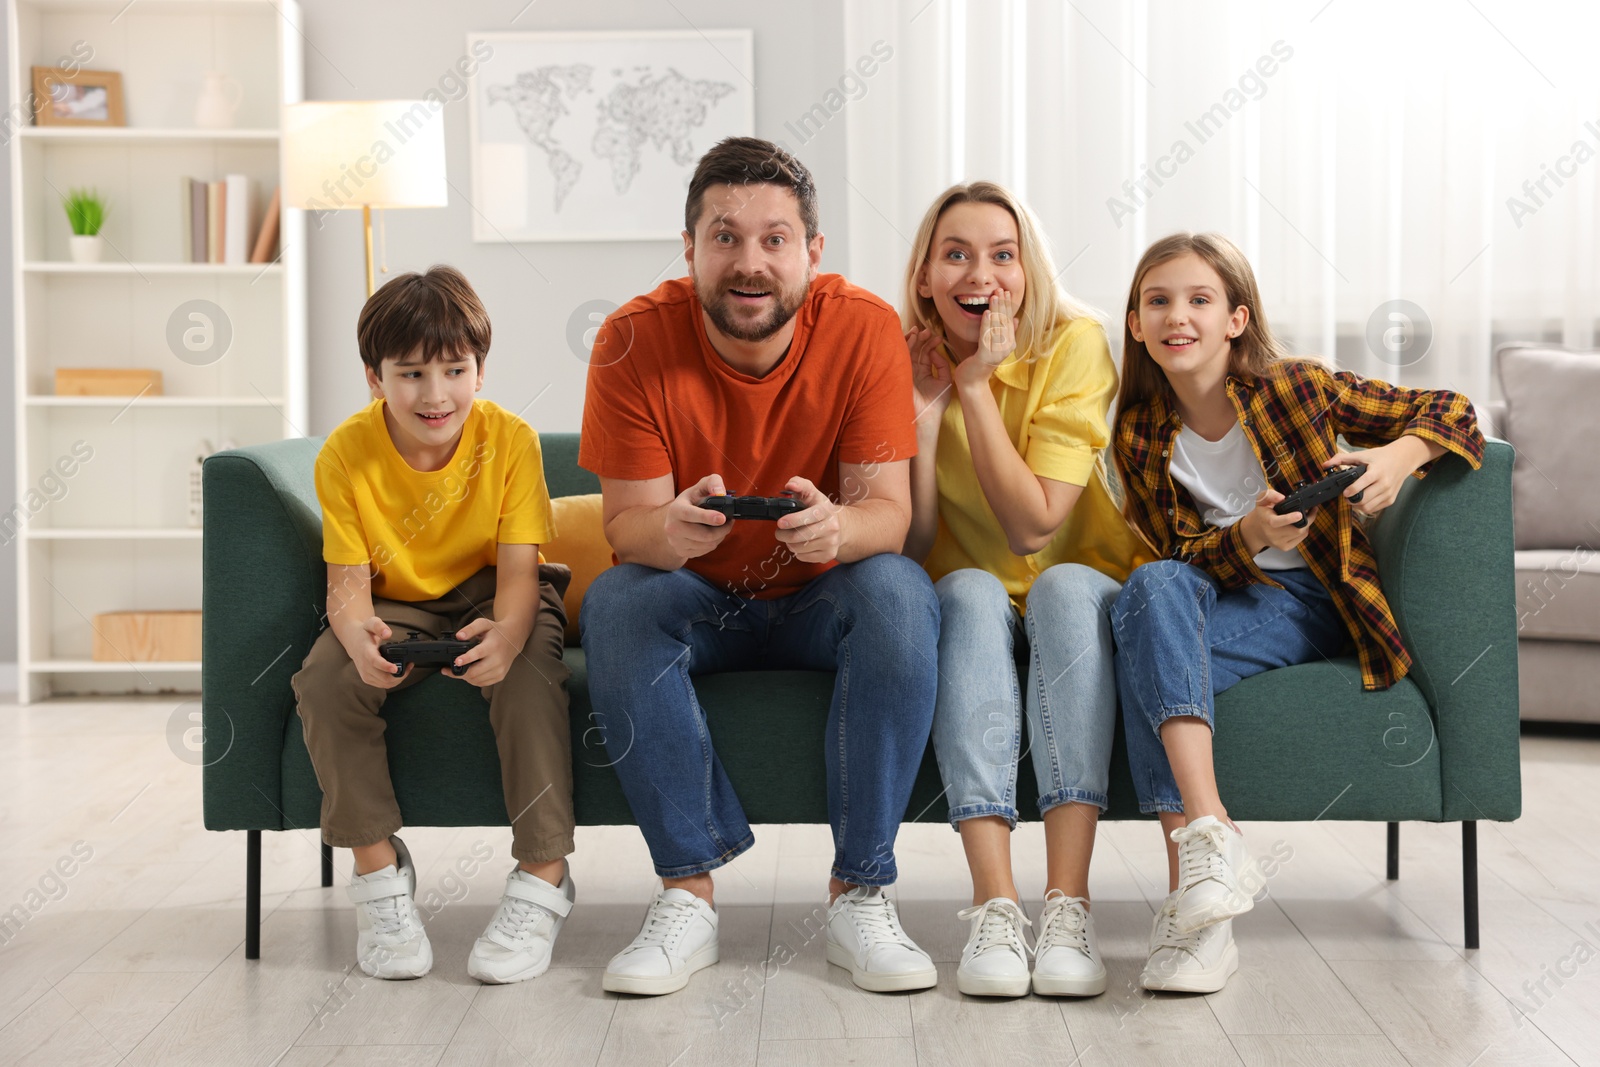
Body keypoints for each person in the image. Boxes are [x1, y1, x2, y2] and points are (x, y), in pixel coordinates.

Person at [579, 137, 939, 996]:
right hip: (700, 597)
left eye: (775, 238)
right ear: (690, 246)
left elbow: (888, 518)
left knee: (899, 589)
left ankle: (860, 892)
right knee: (619, 603)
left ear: (813, 253)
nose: (750, 263)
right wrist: (671, 530)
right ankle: (688, 894)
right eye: (725, 236)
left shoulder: (862, 328)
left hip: (823, 595)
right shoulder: (632, 338)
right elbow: (628, 534)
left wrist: (836, 528)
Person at [1111, 232, 1485, 992]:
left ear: (1236, 320)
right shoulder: (1140, 433)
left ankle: (1195, 885)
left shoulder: (1299, 388)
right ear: (1135, 323)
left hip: (1308, 597)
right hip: (1213, 592)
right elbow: (1180, 556)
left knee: (1144, 662)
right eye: (1158, 301)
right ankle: (1210, 869)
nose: (1176, 316)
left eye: (1198, 300)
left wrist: (1396, 457)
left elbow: (1450, 408)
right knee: (1147, 593)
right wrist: (1246, 534)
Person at [901, 181, 1155, 998]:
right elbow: (911, 540)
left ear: (1027, 268)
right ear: (926, 280)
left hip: (1072, 590)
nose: (984, 273)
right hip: (970, 597)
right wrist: (925, 411)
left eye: (1002, 254)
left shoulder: (1075, 343)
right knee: (969, 591)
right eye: (958, 254)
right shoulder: (899, 354)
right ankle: (995, 907)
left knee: (1062, 589)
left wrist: (976, 387)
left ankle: (1068, 905)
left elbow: (1034, 527)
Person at [292, 266, 576, 984]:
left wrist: (509, 635)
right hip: (397, 601)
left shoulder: (511, 440)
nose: (435, 392)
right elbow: (347, 588)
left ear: (480, 370)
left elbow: (518, 576)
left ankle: (543, 873)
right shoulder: (344, 453)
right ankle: (379, 875)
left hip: (494, 591)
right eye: (411, 373)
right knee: (326, 680)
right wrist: (357, 636)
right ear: (374, 376)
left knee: (531, 673)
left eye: (455, 369)